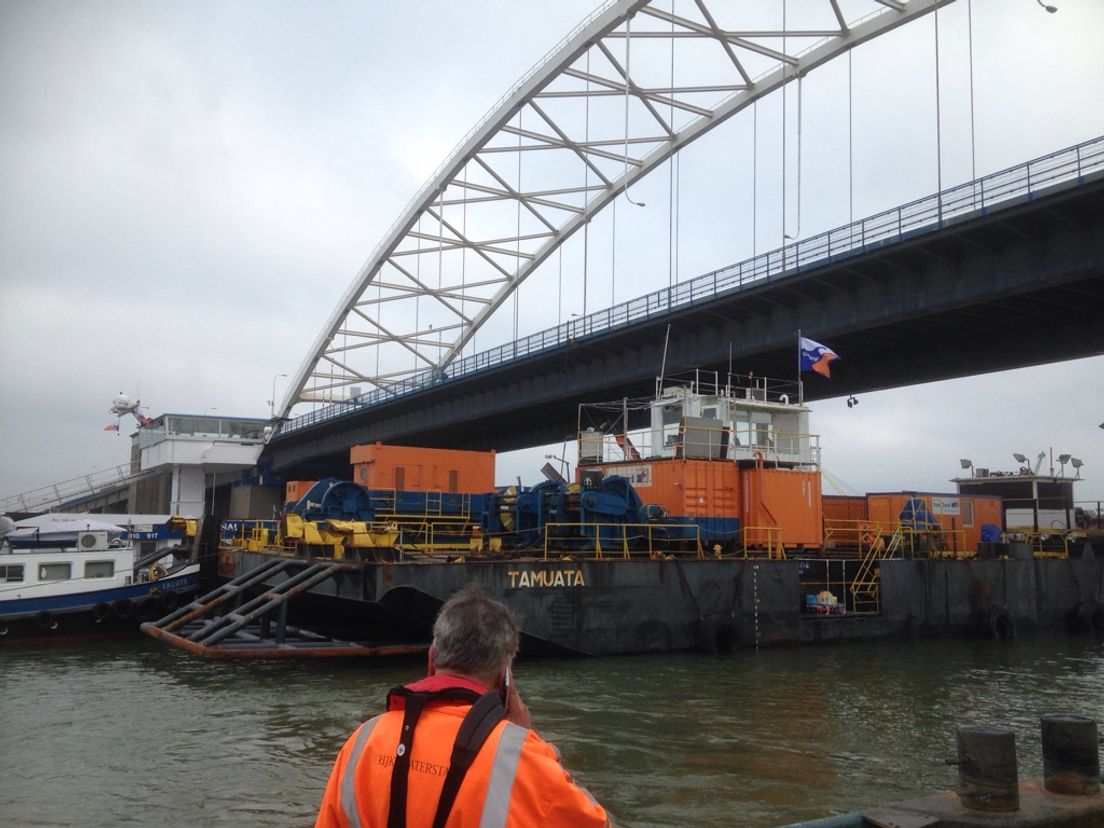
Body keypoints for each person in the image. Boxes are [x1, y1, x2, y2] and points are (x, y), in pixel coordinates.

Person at [315, 584, 611, 828]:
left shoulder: (361, 743)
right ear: (504, 677)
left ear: (431, 660)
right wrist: (535, 745)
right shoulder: (526, 762)